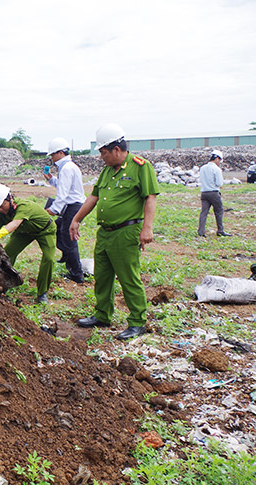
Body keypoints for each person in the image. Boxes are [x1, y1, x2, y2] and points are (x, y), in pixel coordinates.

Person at [69, 123, 159, 340]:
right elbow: (94, 196)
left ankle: (137, 322)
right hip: (106, 233)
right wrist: (76, 219)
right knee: (102, 276)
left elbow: (151, 197)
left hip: (126, 232)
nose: (101, 157)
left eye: (103, 152)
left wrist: (147, 228)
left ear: (116, 149)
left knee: (129, 277)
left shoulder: (140, 167)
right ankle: (102, 315)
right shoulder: (108, 171)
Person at [0, 184, 56, 303]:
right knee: (7, 254)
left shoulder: (23, 206)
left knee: (49, 259)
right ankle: (2, 285)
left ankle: (42, 293)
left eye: (2, 206)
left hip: (45, 230)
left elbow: (14, 224)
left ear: (9, 198)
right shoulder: (0, 212)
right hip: (23, 232)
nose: (1, 210)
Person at [44, 137, 87, 283]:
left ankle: (76, 273)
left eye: (53, 154)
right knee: (59, 229)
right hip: (73, 205)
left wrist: (54, 209)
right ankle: (66, 255)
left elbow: (63, 193)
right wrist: (51, 179)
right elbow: (63, 185)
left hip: (72, 206)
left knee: (69, 237)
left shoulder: (67, 168)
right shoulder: (68, 167)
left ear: (60, 153)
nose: (52, 158)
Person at [198, 150, 231, 237]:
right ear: (217, 158)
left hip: (204, 192)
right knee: (219, 211)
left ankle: (201, 231)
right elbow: (219, 183)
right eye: (219, 160)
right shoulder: (216, 169)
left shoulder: (203, 168)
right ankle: (220, 230)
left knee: (204, 212)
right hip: (214, 192)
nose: (219, 162)